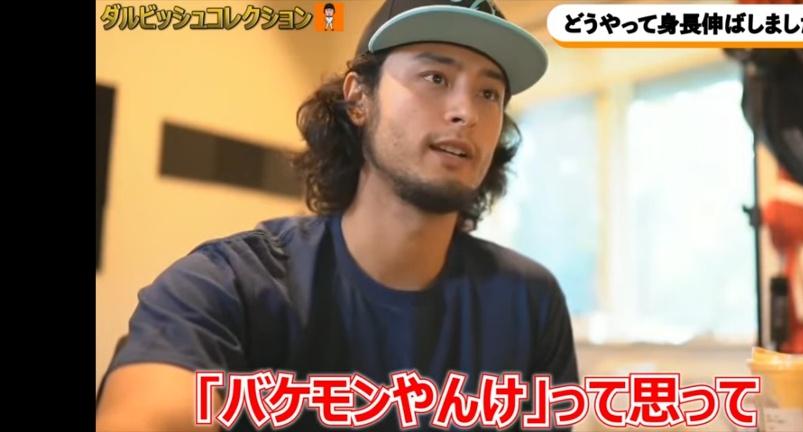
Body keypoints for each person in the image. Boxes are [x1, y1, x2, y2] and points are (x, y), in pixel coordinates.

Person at [96, 1, 578, 430]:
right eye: (436, 78)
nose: (465, 112)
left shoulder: (529, 301)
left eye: (489, 93)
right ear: (359, 98)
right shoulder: (229, 285)